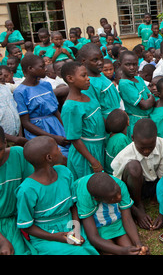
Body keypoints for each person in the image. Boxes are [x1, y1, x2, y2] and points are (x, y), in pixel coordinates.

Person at [16, 136, 99, 255]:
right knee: (79, 252)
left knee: (87, 248)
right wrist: (56, 237)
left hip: (69, 223)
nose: (60, 150)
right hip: (45, 235)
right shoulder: (27, 190)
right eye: (57, 148)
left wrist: (75, 229)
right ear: (49, 158)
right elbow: (27, 226)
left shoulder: (64, 172)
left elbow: (73, 205)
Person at [111, 118, 163, 230]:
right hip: (135, 189)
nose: (147, 151)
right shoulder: (123, 156)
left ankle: (155, 198)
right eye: (142, 148)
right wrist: (137, 212)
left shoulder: (162, 145)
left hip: (154, 184)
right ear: (132, 138)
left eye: (150, 147)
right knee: (134, 167)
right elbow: (119, 190)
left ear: (156, 139)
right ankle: (139, 204)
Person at [74, 172, 149, 255]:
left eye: (118, 192)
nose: (119, 197)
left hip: (115, 222)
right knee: (110, 251)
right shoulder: (85, 197)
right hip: (98, 226)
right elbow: (93, 237)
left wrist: (138, 243)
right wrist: (121, 251)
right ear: (97, 199)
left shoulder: (119, 185)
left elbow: (127, 219)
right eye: (113, 198)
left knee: (132, 249)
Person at [13, 54, 70, 157]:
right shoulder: (20, 92)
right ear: (30, 69)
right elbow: (25, 122)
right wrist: (52, 137)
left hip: (56, 126)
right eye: (41, 66)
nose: (45, 69)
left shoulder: (46, 85)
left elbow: (56, 112)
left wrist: (66, 129)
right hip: (38, 131)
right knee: (55, 156)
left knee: (71, 151)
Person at [60, 61, 106, 180]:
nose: (88, 79)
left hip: (99, 146)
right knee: (89, 184)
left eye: (87, 75)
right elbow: (74, 138)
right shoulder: (71, 107)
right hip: (86, 153)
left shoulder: (88, 96)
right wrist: (93, 161)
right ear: (70, 78)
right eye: (83, 76)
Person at [0, 126, 34, 255]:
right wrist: (2, 241)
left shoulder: (18, 154)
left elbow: (31, 188)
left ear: (5, 142)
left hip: (18, 221)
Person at [77, 43, 122, 119]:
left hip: (118, 116)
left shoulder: (101, 75)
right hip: (108, 121)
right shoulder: (88, 83)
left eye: (101, 58)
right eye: (95, 60)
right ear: (83, 61)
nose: (100, 62)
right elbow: (94, 110)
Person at [118, 51, 155, 139]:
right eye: (128, 64)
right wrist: (151, 98)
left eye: (134, 64)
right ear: (120, 65)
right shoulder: (124, 84)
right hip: (136, 122)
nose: (132, 67)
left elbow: (149, 96)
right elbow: (145, 105)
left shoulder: (138, 79)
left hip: (147, 118)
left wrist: (150, 98)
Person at [104, 109, 132, 175]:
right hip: (117, 174)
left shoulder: (109, 136)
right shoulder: (120, 139)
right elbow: (126, 160)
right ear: (128, 122)